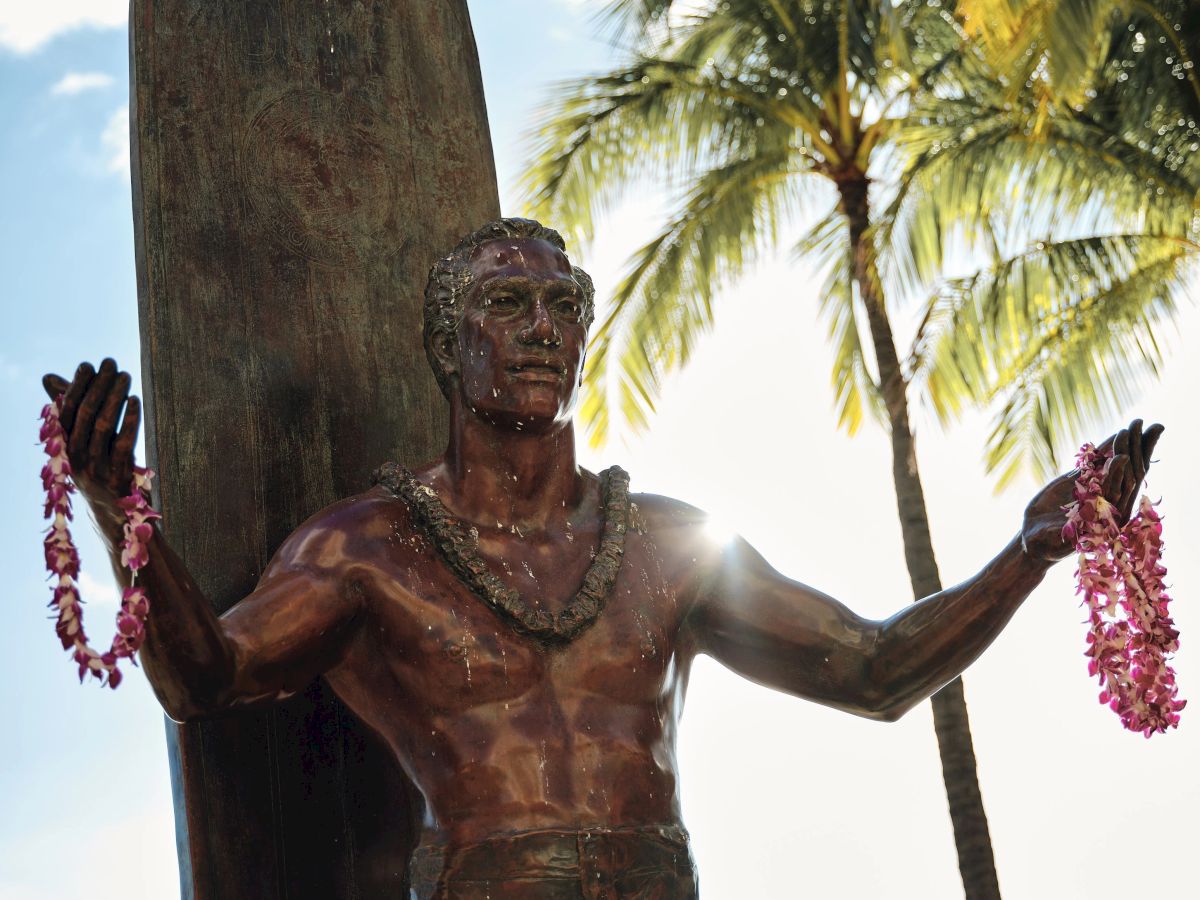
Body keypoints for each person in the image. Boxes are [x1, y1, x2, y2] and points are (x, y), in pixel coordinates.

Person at [43, 217, 1162, 899]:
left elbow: (872, 670)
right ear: (449, 345)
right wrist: (118, 508)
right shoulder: (366, 550)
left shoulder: (674, 546)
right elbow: (207, 679)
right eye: (505, 304)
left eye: (561, 306)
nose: (540, 328)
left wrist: (1029, 551)